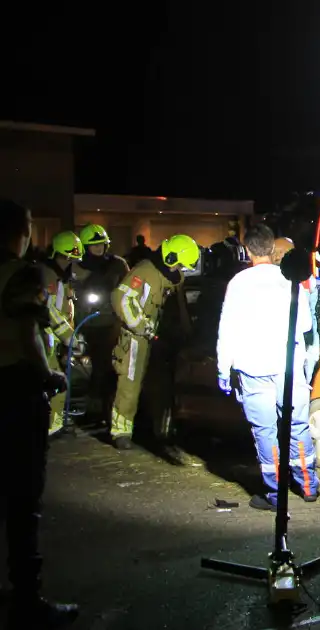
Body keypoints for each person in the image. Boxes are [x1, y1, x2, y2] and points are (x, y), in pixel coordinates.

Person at [0, 198, 79, 627]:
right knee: (23, 497)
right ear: (20, 231)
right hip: (14, 389)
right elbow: (27, 333)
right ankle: (27, 600)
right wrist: (49, 374)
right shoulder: (21, 273)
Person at [217, 225, 320, 511]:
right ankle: (309, 486)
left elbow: (227, 330)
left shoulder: (238, 283)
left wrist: (224, 370)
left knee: (265, 432)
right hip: (289, 365)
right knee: (297, 424)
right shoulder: (289, 279)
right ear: (271, 249)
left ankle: (276, 496)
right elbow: (306, 325)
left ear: (247, 250)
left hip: (254, 369)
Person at [108, 234, 199, 449]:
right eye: (179, 264)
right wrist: (139, 325)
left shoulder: (174, 277)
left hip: (158, 336)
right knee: (129, 383)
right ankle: (120, 431)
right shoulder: (145, 271)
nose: (181, 269)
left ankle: (153, 428)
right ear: (170, 257)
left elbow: (177, 306)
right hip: (135, 337)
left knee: (157, 384)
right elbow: (121, 299)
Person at [73, 223, 130, 424]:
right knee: (93, 369)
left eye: (102, 244)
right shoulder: (77, 267)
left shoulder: (118, 264)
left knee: (108, 368)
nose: (99, 249)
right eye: (94, 245)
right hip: (87, 325)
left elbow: (128, 288)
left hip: (112, 324)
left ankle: (105, 410)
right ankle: (94, 408)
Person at [38, 231, 84, 437]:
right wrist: (69, 336)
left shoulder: (62, 278)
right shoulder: (46, 275)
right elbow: (50, 310)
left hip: (57, 338)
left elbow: (67, 308)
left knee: (58, 382)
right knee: (53, 382)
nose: (69, 262)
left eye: (72, 259)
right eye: (66, 258)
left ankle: (54, 425)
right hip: (47, 336)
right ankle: (49, 426)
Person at [272, 236, 320, 384]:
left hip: (304, 339)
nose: (277, 256)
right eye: (275, 252)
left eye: (282, 252)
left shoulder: (306, 280)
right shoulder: (269, 278)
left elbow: (310, 314)